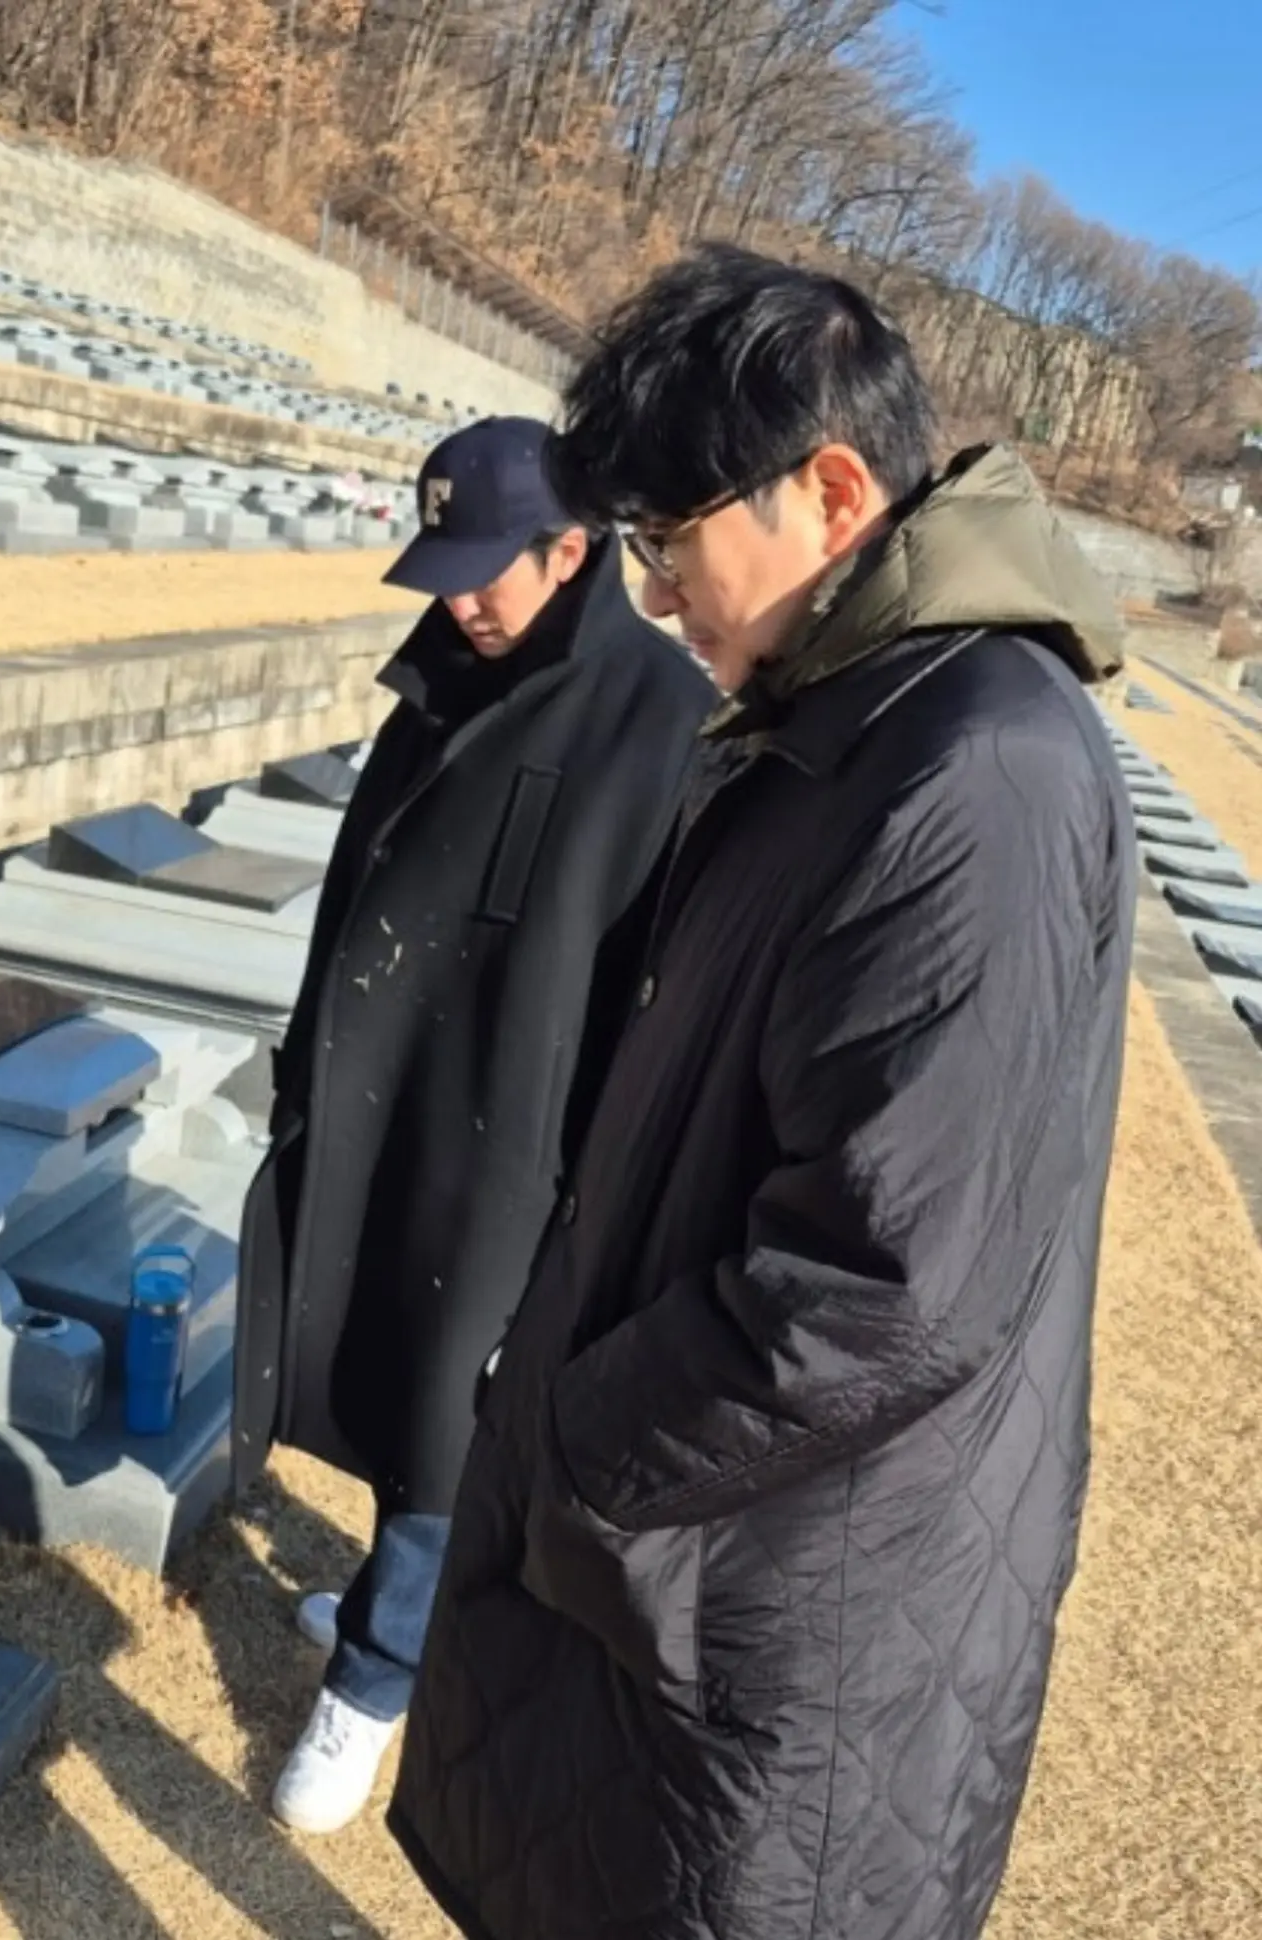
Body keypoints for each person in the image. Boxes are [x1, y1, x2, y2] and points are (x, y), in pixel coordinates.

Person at [389, 245, 1134, 1940]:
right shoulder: (846, 709)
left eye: (669, 546)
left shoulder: (975, 767)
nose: (656, 597)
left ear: (834, 490)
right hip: (706, 1549)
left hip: (780, 1582)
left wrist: (568, 1438)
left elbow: (884, 1285)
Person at [235, 414, 713, 1835]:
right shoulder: (442, 682)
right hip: (395, 1104)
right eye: (442, 566)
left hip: (518, 1149)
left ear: (573, 554)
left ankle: (374, 1680)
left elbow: (650, 986)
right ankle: (408, 1606)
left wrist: (597, 1197)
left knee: (452, 1402)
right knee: (387, 1374)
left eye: (485, 570)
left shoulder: (662, 727)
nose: (456, 598)